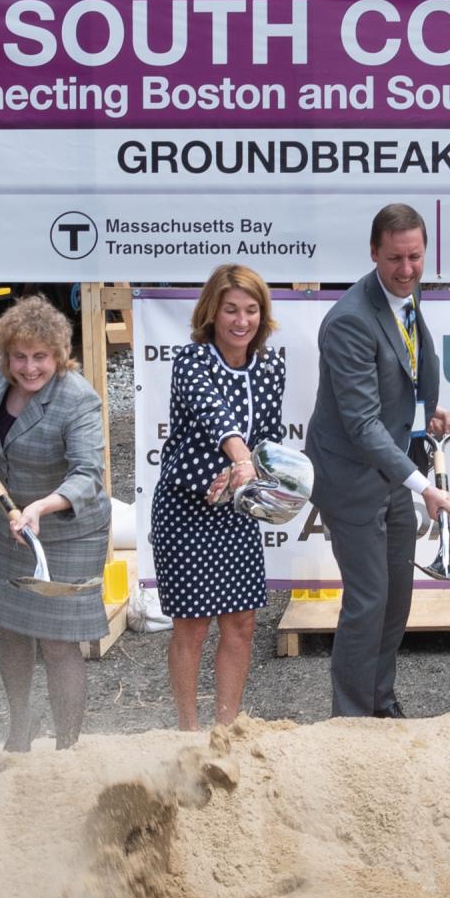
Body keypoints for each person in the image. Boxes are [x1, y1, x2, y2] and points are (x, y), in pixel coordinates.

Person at [308, 204, 450, 719]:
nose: (407, 268)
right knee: (369, 600)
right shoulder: (349, 320)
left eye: (415, 256)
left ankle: (380, 703)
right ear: (374, 253)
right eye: (395, 258)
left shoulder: (406, 298)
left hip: (391, 468)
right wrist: (424, 486)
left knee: (395, 601)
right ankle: (349, 721)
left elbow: (400, 378)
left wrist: (425, 413)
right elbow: (362, 424)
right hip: (351, 477)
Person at [0, 297, 109, 751]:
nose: (28, 367)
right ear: (4, 354)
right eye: (19, 356)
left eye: (40, 357)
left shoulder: (77, 398)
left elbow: (87, 476)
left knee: (60, 642)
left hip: (67, 528)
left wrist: (41, 508)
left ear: (59, 355)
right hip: (10, 523)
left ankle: (67, 745)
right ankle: (20, 724)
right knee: (12, 627)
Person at [150, 266, 286, 730]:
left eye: (251, 310)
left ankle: (225, 730)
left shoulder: (271, 367)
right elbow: (216, 417)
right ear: (213, 311)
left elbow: (267, 438)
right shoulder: (192, 361)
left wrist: (245, 472)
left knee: (241, 624)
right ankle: (187, 733)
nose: (241, 320)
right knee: (192, 626)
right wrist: (238, 458)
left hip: (237, 506)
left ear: (262, 315)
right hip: (186, 507)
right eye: (231, 309)